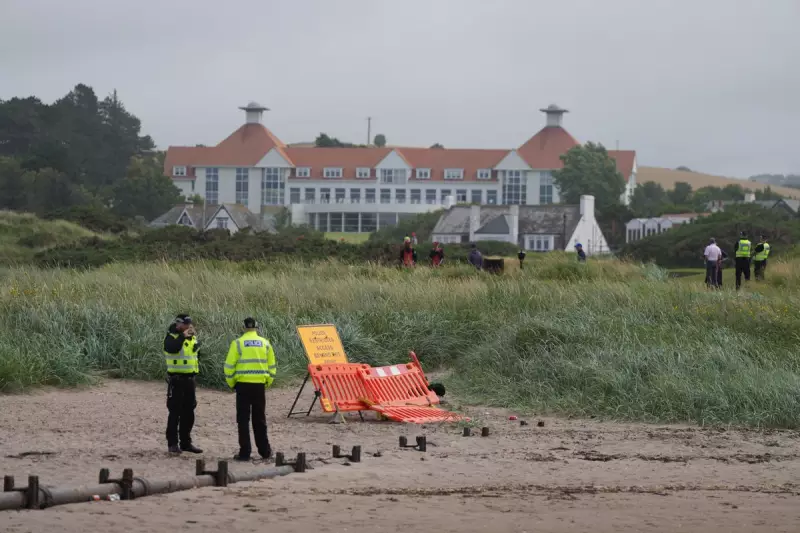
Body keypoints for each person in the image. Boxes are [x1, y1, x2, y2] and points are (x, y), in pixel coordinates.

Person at [224, 317, 276, 462]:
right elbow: (272, 366)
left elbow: (229, 366)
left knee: (243, 420)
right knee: (259, 419)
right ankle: (265, 451)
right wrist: (267, 382)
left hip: (242, 385)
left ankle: (245, 452)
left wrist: (232, 383)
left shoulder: (238, 343)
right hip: (259, 386)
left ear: (243, 328)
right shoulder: (265, 343)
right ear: (257, 328)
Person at [164, 314, 203, 454]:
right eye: (185, 324)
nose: (188, 327)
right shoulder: (171, 336)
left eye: (189, 324)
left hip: (190, 380)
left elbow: (196, 354)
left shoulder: (191, 337)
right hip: (176, 380)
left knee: (189, 412)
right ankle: (172, 444)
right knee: (175, 412)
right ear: (178, 324)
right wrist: (183, 337)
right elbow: (172, 348)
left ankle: (186, 443)